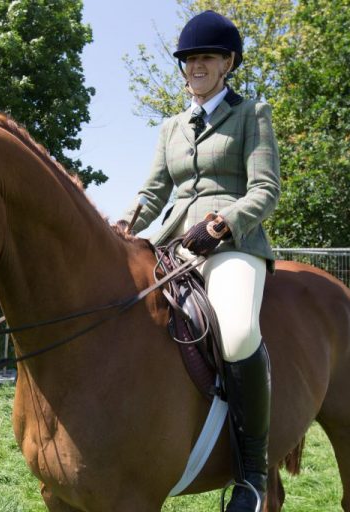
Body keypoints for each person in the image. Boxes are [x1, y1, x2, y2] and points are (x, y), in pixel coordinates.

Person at [120, 10, 280, 511]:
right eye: (189, 59)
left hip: (232, 245)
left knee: (234, 332)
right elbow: (153, 191)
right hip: (174, 241)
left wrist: (221, 224)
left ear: (227, 62)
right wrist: (124, 224)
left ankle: (252, 472)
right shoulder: (172, 127)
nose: (195, 66)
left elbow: (265, 190)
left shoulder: (252, 114)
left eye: (206, 57)